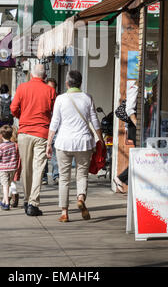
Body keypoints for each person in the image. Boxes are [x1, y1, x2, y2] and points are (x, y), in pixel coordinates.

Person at [47, 70, 105, 223]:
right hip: (84, 142)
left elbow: (55, 123)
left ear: (67, 83)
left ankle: (65, 212)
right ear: (80, 83)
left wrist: (48, 143)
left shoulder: (60, 99)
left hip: (63, 142)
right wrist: (101, 139)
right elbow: (95, 121)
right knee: (82, 175)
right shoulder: (87, 98)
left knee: (64, 178)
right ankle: (80, 198)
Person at [10, 64, 56, 216]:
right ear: (44, 76)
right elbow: (54, 113)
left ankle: (26, 199)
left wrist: (21, 117)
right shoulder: (50, 90)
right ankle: (33, 203)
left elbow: (13, 108)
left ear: (31, 74)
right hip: (41, 133)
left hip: (24, 132)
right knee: (38, 169)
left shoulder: (22, 88)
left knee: (26, 168)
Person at [113, 81, 138, 194]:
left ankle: (123, 178)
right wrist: (138, 126)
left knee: (140, 158)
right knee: (140, 158)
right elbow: (130, 110)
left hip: (138, 130)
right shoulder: (135, 89)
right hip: (136, 130)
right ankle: (121, 178)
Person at [0, 125, 20, 211]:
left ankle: (6, 203)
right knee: (9, 184)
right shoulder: (13, 145)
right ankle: (3, 201)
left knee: (5, 186)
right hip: (12, 168)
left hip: (4, 169)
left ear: (1, 135)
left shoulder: (1, 146)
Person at [42, 78, 59, 185]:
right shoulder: (42, 99)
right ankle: (43, 177)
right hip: (44, 129)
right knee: (43, 154)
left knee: (56, 155)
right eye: (49, 88)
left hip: (56, 131)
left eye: (52, 88)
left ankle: (56, 175)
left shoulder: (59, 99)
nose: (50, 90)